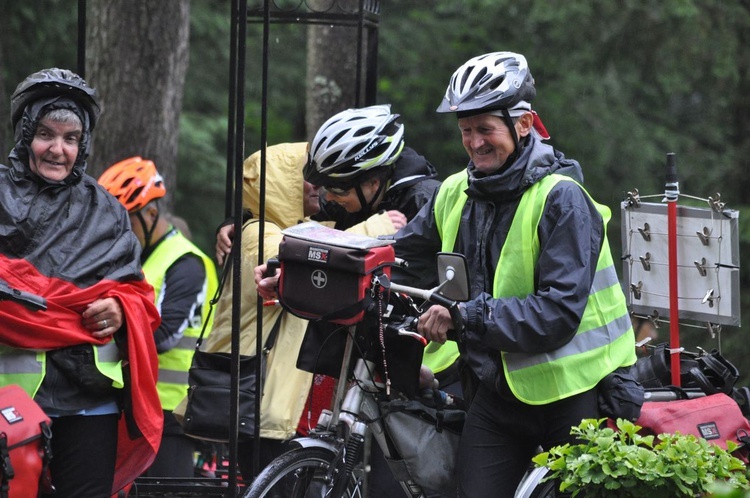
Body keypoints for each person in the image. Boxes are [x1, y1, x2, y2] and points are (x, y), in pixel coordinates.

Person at [390, 51, 637, 497]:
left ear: (524, 124)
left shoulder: (563, 200)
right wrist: (311, 257)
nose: (474, 142)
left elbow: (557, 312)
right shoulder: (455, 191)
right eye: (466, 131)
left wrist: (464, 316)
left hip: (575, 394)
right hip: (500, 391)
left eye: (486, 129)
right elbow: (397, 251)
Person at [0, 68, 162, 497]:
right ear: (24, 136)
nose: (58, 149)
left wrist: (119, 310)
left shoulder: (106, 210)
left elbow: (138, 295)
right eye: (46, 135)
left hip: (90, 405)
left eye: (71, 139)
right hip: (9, 404)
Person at [99, 156, 218, 478]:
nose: (120, 231)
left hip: (172, 412)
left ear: (151, 213)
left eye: (127, 221)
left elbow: (164, 336)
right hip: (137, 405)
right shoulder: (139, 260)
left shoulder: (186, 263)